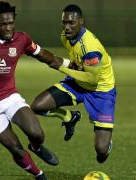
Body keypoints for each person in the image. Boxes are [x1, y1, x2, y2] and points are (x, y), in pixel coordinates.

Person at [0, 2, 75, 180]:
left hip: (10, 97)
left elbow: (44, 56)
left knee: (37, 134)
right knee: (16, 149)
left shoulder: (22, 39)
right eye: (3, 24)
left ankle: (36, 147)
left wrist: (69, 65)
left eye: (11, 23)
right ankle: (39, 175)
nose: (8, 27)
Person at [31, 4, 116, 163]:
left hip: (101, 91)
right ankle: (69, 117)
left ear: (81, 22)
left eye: (71, 23)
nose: (67, 27)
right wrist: (63, 62)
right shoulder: (65, 36)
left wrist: (62, 67)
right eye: (64, 22)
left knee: (101, 152)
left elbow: (92, 79)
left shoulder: (90, 48)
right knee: (37, 106)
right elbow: (77, 64)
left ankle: (106, 145)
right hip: (78, 83)